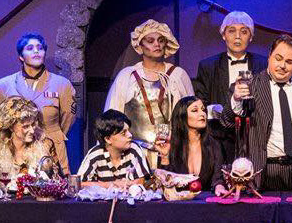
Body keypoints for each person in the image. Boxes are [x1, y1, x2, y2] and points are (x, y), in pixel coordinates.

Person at [221, 35, 292, 191]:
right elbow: (227, 122)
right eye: (278, 58)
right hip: (262, 173)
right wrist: (236, 99)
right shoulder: (250, 87)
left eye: (289, 62)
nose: (282, 65)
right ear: (269, 56)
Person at [104, 18, 194, 164]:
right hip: (134, 154)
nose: (157, 44)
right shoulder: (127, 76)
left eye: (161, 40)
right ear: (140, 45)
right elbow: (112, 116)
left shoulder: (178, 75)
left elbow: (191, 115)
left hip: (173, 152)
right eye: (150, 41)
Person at [0, 33, 77, 174]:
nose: (36, 51)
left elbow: (68, 118)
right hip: (17, 150)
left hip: (51, 148)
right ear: (21, 56)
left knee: (52, 183)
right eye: (30, 48)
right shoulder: (5, 84)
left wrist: (52, 134)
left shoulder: (62, 84)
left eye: (40, 48)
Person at [192, 11, 268, 161]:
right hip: (219, 139)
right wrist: (218, 111)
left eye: (244, 32)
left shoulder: (264, 64)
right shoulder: (208, 66)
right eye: (232, 31)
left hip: (256, 139)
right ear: (223, 35)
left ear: (251, 37)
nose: (237, 36)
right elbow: (201, 103)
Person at [0, 96, 60, 190]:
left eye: (33, 125)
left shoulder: (45, 147)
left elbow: (55, 183)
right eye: (26, 126)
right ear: (11, 127)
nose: (32, 131)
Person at [155, 96, 227, 194]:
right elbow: (165, 184)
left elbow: (218, 178)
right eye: (195, 110)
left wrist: (219, 187)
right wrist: (164, 157)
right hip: (177, 202)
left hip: (205, 200)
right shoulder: (171, 145)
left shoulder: (214, 144)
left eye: (203, 110)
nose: (202, 114)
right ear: (182, 116)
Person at [77, 109, 151, 188]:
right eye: (123, 133)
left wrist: (100, 184)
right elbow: (80, 184)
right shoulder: (95, 155)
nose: (130, 135)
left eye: (128, 130)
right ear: (108, 139)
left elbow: (140, 181)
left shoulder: (134, 149)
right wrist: (112, 184)